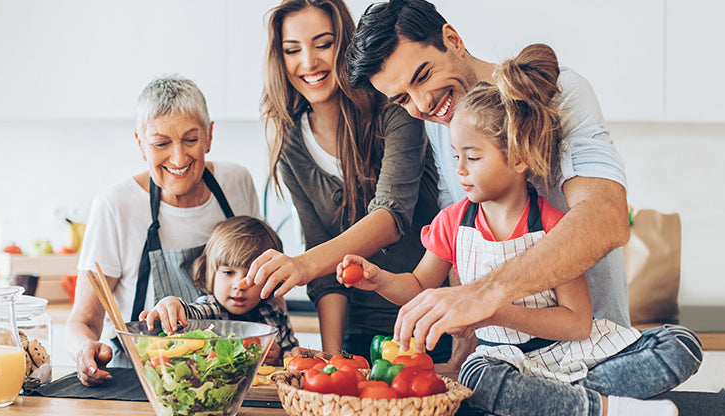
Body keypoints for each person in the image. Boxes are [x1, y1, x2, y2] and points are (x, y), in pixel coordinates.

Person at [339, 45, 700, 416]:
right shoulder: (452, 223)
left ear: (518, 157)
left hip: (575, 354)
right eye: (455, 156)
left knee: (680, 345)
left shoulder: (554, 228)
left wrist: (491, 309)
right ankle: (605, 408)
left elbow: (577, 323)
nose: (460, 169)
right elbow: (419, 287)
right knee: (478, 377)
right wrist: (380, 279)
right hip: (507, 362)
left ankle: (551, 402)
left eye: (473, 157)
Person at [347, 0, 633, 356]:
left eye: (422, 76)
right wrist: (461, 351)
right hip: (505, 358)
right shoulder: (442, 123)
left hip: (596, 347)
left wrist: (485, 295)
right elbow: (460, 251)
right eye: (402, 98)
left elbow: (607, 219)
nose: (422, 104)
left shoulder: (562, 92)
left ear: (452, 39)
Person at [243, 0, 453, 363]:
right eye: (292, 49)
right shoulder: (291, 141)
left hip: (428, 327)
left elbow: (391, 218)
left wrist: (303, 264)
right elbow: (323, 268)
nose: (308, 63)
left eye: (323, 44)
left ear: (346, 45)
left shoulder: (396, 108)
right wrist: (332, 358)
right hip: (356, 336)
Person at [68, 75, 262, 386]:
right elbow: (83, 320)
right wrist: (84, 350)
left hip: (229, 380)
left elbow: (264, 286)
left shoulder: (237, 183)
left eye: (190, 139)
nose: (178, 157)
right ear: (140, 144)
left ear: (209, 135)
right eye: (161, 143)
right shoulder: (115, 206)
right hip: (142, 384)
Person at [139, 216, 300, 365]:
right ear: (210, 274)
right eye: (228, 273)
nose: (240, 285)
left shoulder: (275, 315)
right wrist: (172, 304)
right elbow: (190, 313)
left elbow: (293, 358)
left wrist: (279, 357)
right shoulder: (210, 308)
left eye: (252, 276)